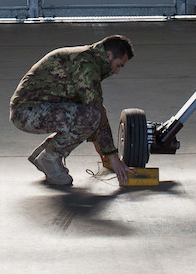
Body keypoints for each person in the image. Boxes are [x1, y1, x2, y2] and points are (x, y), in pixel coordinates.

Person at [10, 35, 136, 186]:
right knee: (92, 115)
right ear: (108, 55)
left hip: (34, 109)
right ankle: (49, 158)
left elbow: (84, 103)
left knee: (90, 115)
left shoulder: (89, 59)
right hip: (25, 112)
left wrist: (99, 143)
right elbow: (95, 109)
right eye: (118, 65)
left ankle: (45, 155)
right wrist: (112, 155)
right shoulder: (85, 64)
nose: (117, 71)